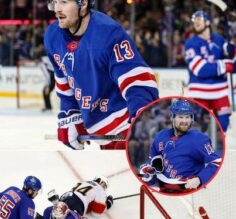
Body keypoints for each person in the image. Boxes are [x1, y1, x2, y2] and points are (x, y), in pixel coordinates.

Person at [44, 0, 159, 150]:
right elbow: (64, 82)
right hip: (100, 135)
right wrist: (70, 117)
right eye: (55, 2)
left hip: (125, 129)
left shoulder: (108, 33)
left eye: (64, 2)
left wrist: (141, 118)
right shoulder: (52, 36)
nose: (57, 9)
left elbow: (135, 80)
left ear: (83, 4)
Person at [140, 99, 222, 193]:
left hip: (188, 190)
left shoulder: (199, 139)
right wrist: (148, 169)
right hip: (163, 188)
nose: (185, 121)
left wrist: (199, 179)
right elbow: (154, 160)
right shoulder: (161, 136)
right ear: (172, 118)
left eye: (187, 117)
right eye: (180, 117)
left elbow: (216, 162)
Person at [184, 10, 236, 133]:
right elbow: (200, 70)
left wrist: (232, 50)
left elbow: (234, 65)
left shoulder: (219, 40)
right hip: (199, 91)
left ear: (207, 22)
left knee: (224, 125)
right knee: (196, 126)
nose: (196, 21)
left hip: (220, 90)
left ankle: (217, 151)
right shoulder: (190, 43)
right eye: (194, 19)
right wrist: (225, 65)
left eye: (199, 18)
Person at [47, 175, 113, 216]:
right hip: (77, 203)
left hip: (66, 196)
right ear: (101, 182)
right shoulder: (100, 189)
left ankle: (56, 202)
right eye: (104, 185)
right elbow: (96, 213)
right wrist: (108, 203)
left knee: (57, 213)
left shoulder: (84, 182)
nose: (104, 188)